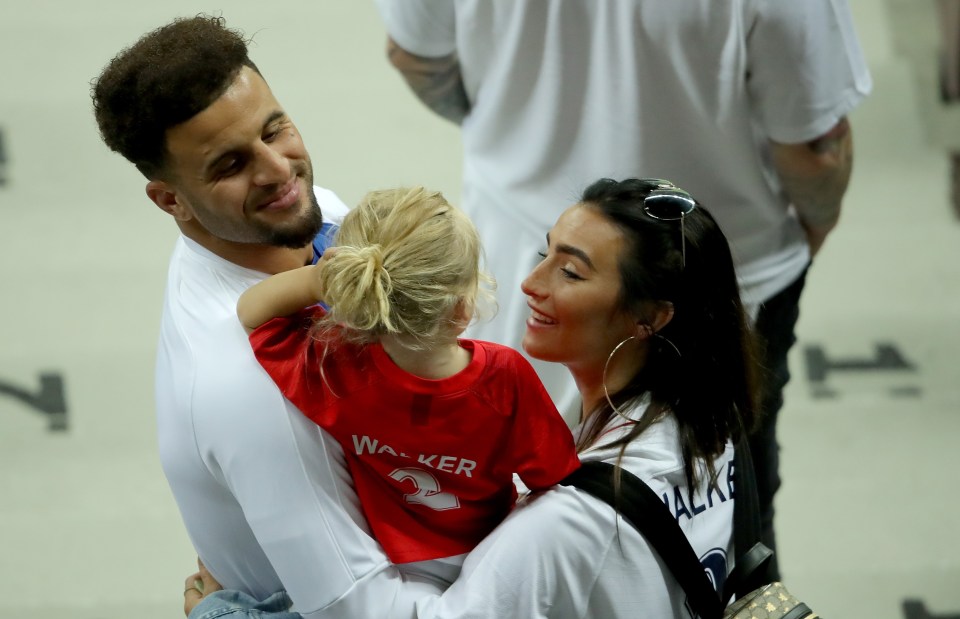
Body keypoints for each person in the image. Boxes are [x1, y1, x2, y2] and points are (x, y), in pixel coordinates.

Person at [373, 0, 873, 577]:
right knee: (729, 519)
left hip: (512, 232)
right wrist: (813, 226)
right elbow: (815, 142)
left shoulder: (530, 279)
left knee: (508, 501)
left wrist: (522, 132)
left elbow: (414, 53)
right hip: (733, 270)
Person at [185, 177, 762, 618]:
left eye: (572, 274)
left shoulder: (574, 520)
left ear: (648, 318)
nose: (531, 285)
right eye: (546, 253)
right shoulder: (710, 418)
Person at [92, 15, 446, 619]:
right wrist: (548, 548)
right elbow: (360, 608)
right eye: (230, 166)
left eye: (275, 129)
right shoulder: (255, 381)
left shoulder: (301, 218)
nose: (279, 170)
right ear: (171, 200)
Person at [236, 186, 580, 582]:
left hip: (389, 560)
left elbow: (251, 311)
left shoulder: (336, 365)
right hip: (491, 555)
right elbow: (552, 476)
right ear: (462, 310)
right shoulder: (504, 377)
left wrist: (320, 280)